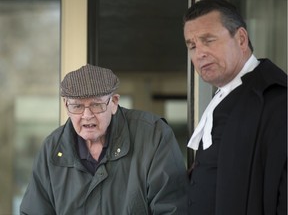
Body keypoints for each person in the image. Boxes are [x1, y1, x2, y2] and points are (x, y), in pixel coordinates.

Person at [20, 64, 188, 214]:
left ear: (114, 102)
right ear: (66, 106)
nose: (87, 115)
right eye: (77, 106)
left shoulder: (153, 135)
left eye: (96, 105)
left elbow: (172, 209)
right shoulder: (52, 148)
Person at [183, 0, 287, 215]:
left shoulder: (278, 101)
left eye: (208, 40)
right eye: (192, 46)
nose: (199, 53)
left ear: (241, 39)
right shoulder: (223, 96)